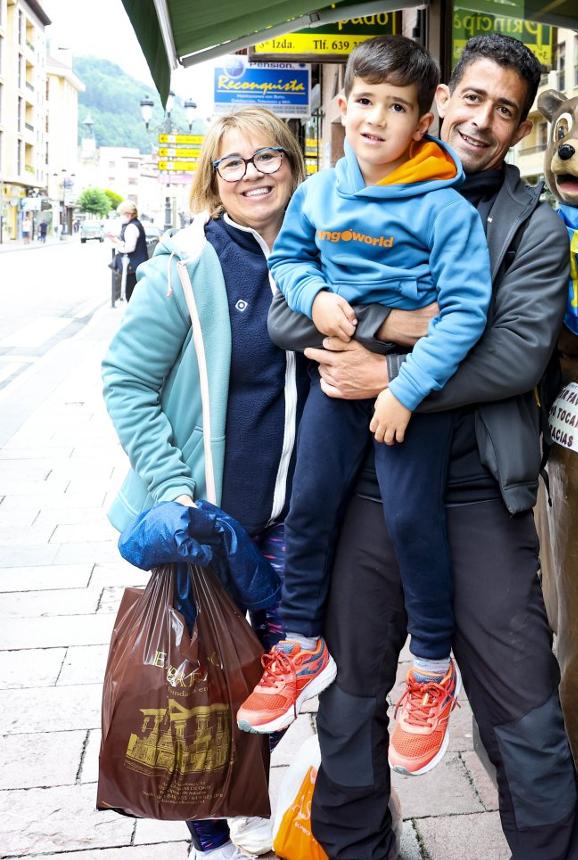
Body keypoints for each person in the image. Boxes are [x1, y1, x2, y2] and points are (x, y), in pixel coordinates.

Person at [268, 33, 578, 860]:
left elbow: (516, 354)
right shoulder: (355, 190)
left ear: (520, 130)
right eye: (473, 98)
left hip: (480, 489)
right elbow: (285, 311)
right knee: (349, 694)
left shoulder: (536, 229)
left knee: (526, 711)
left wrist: (391, 374)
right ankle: (356, 848)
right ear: (442, 99)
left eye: (506, 110)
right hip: (371, 483)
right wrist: (386, 329)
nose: (484, 120)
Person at [240, 36, 492, 783]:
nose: (377, 118)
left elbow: (466, 312)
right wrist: (315, 295)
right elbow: (287, 260)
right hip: (335, 386)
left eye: (398, 107)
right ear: (342, 105)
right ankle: (298, 641)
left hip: (413, 395)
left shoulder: (444, 208)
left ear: (422, 123)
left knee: (415, 520)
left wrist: (406, 389)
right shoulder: (319, 193)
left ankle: (433, 667)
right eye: (366, 101)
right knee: (309, 503)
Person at [101, 107, 309, 860]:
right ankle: (211, 835)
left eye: (267, 157)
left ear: (293, 163)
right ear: (213, 182)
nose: (253, 172)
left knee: (292, 668)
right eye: (234, 163)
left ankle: (241, 789)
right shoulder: (186, 265)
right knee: (203, 678)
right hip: (210, 520)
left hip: (296, 514)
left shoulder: (322, 256)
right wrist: (173, 488)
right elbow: (125, 378)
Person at [109, 201, 148, 304]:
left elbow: (130, 248)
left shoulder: (131, 227)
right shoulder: (136, 224)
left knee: (131, 296)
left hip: (133, 268)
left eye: (121, 214)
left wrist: (117, 243)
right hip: (139, 265)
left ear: (128, 214)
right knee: (136, 296)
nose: (121, 216)